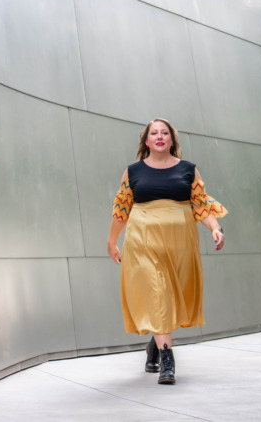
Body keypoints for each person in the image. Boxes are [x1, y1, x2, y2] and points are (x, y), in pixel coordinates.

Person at [107, 118, 228, 385]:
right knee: (158, 290)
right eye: (154, 133)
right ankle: (167, 359)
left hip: (180, 242)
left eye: (165, 133)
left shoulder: (188, 170)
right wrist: (112, 240)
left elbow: (201, 205)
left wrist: (215, 228)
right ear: (146, 140)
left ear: (172, 139)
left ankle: (154, 344)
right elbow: (122, 209)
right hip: (143, 239)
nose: (160, 136)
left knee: (171, 297)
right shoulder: (133, 171)